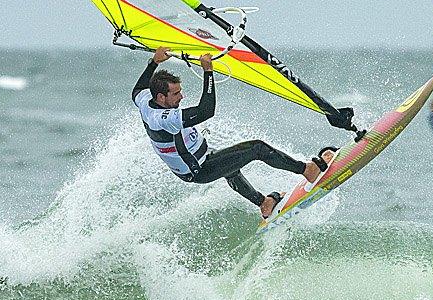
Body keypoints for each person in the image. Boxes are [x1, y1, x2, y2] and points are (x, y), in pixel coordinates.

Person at [132, 46, 335, 219]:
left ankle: (263, 203)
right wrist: (208, 71)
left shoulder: (144, 100)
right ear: (160, 97)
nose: (181, 97)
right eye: (175, 94)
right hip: (198, 168)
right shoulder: (163, 119)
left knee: (230, 168)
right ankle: (308, 170)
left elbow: (137, 88)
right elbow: (206, 111)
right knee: (257, 148)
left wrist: (154, 62)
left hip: (196, 161)